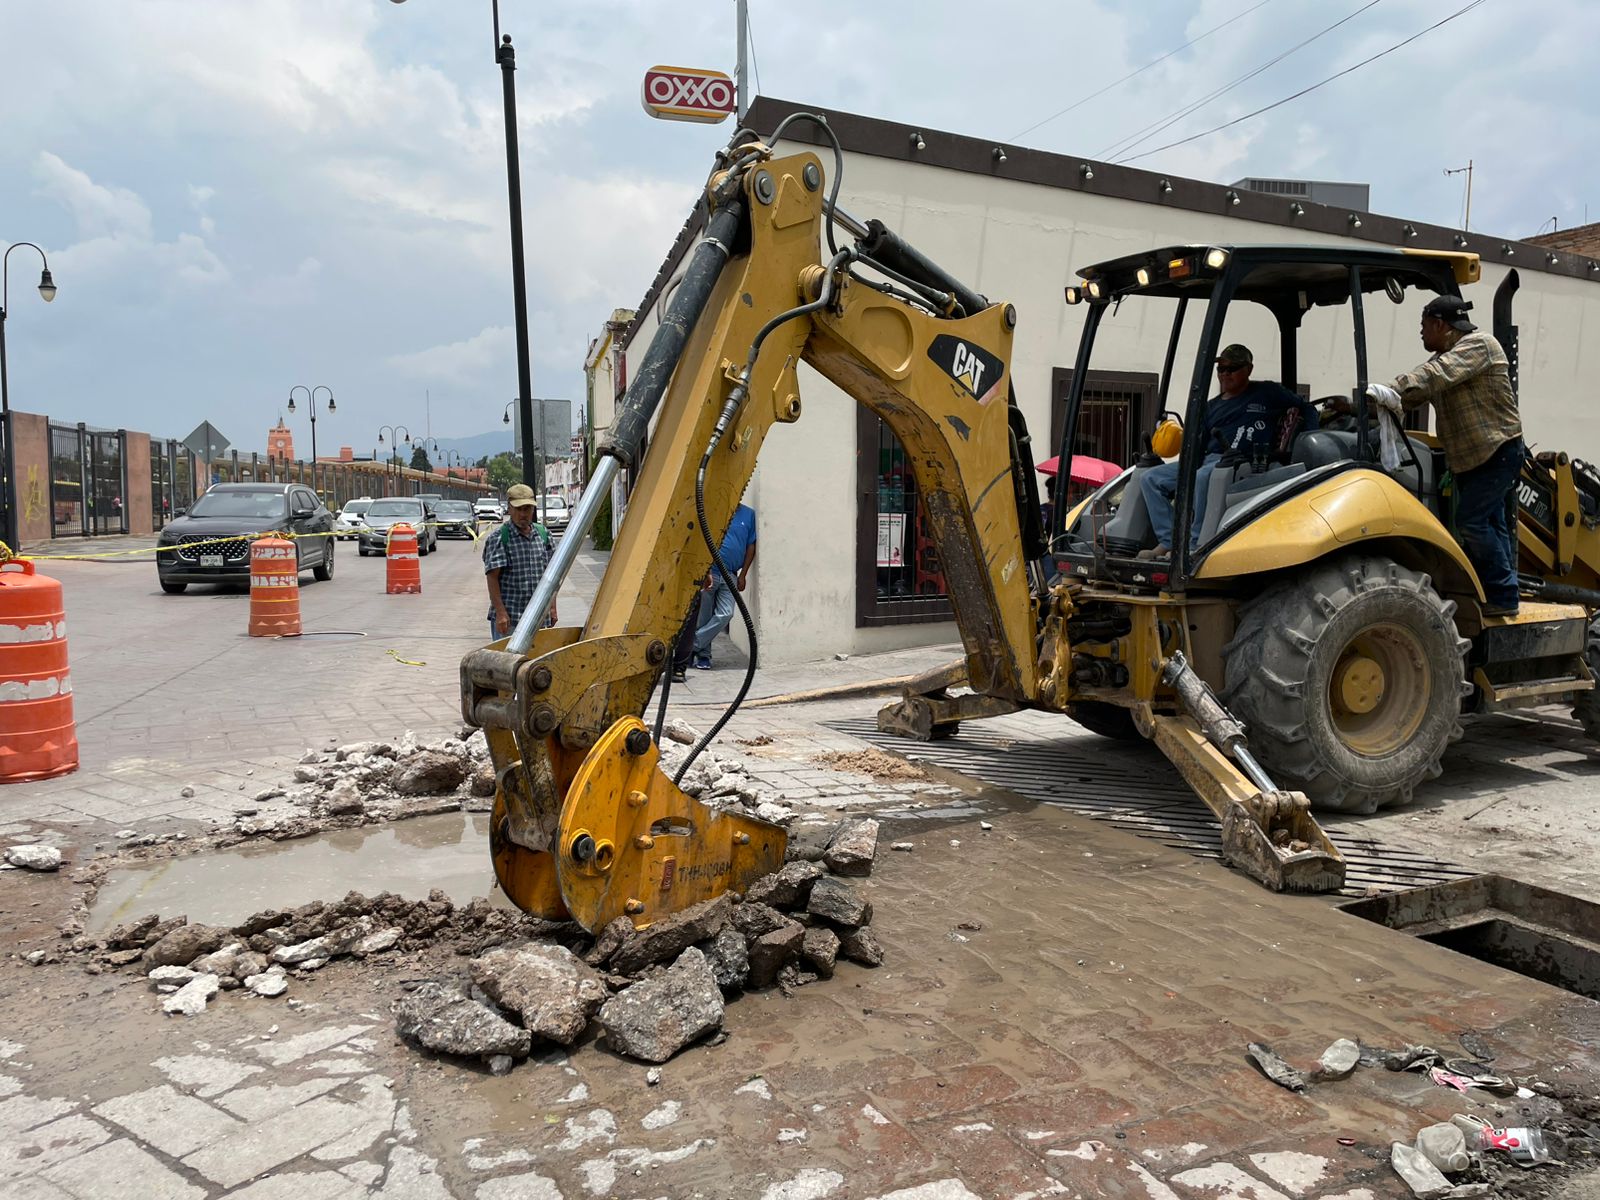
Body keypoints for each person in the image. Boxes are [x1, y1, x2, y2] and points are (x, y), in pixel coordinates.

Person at [1368, 294, 1522, 616]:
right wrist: (1366, 404)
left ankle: (1504, 597)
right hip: (1470, 457)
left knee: (1472, 522)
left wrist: (1388, 387)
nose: (1421, 333)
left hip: (1496, 450)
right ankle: (1499, 592)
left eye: (1423, 327)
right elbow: (1414, 394)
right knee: (1491, 523)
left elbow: (1436, 375)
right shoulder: (1444, 358)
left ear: (1440, 324)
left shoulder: (1478, 346)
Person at [1138, 344, 1318, 558]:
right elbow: (1199, 446)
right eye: (1221, 369)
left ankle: (1195, 545)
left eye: (1231, 369)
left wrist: (1309, 438)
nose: (1224, 374)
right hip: (1210, 460)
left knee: (1204, 476)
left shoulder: (1267, 392)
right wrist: (1189, 463)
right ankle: (1169, 541)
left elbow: (1306, 408)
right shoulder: (1210, 407)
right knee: (1150, 478)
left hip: (1246, 462)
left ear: (1248, 369)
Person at [483, 483, 557, 640]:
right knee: (507, 663)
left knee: (536, 663)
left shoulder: (544, 535)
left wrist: (552, 607)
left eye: (527, 509)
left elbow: (552, 576)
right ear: (509, 509)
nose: (523, 514)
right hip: (511, 620)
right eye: (519, 509)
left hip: (539, 620)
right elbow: (492, 577)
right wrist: (501, 613)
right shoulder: (500, 538)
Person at [690, 502, 757, 670]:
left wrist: (743, 575)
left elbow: (751, 546)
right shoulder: (715, 509)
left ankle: (691, 646)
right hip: (711, 571)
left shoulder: (748, 514)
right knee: (703, 616)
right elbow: (703, 540)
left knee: (726, 614)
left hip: (731, 573)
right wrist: (704, 569)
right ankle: (703, 657)